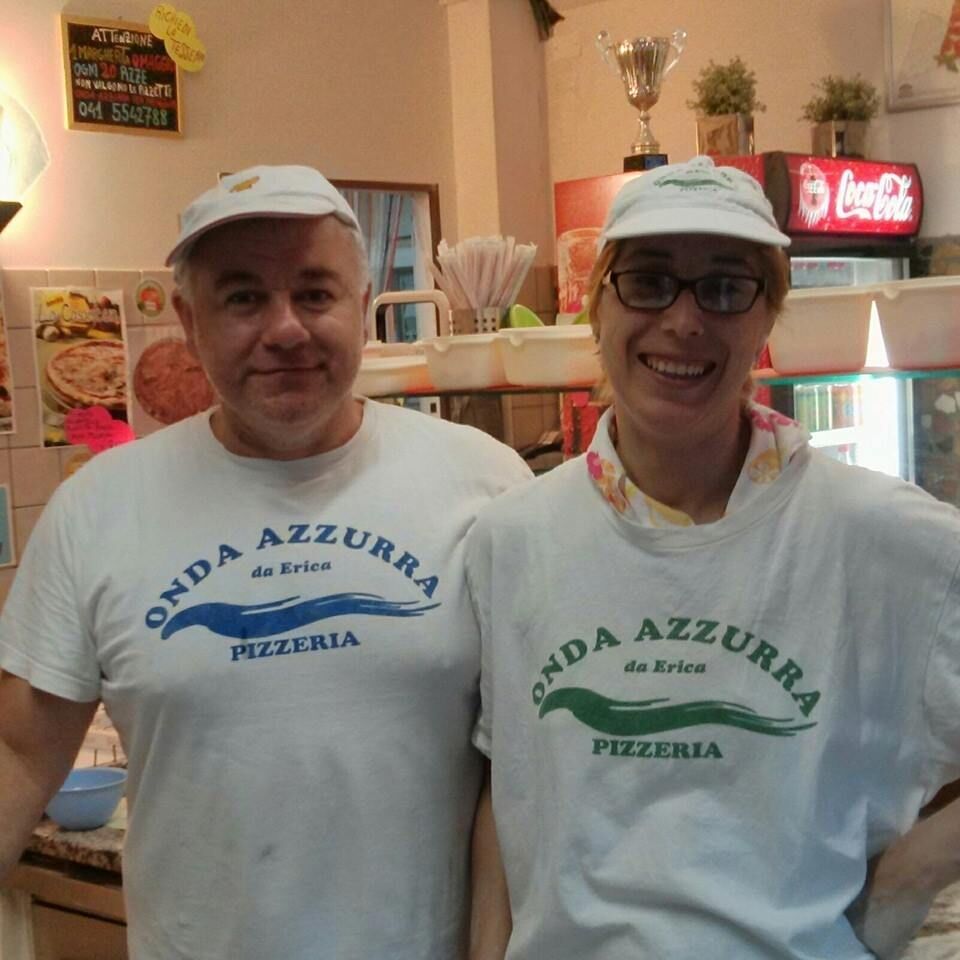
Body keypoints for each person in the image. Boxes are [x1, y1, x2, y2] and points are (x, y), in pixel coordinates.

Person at [0, 164, 531, 959]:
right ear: (189, 322)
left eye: (314, 293)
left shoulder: (484, 483)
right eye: (243, 298)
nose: (285, 329)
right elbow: (17, 754)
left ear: (361, 306)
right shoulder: (99, 508)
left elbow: (525, 765)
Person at [465, 155, 960, 960]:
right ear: (597, 308)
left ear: (767, 321)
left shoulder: (879, 536)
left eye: (726, 288)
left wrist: (908, 879)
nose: (685, 320)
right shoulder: (512, 539)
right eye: (649, 282)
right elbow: (507, 785)